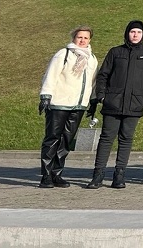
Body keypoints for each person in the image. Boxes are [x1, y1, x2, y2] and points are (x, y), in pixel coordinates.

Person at [86, 20, 143, 190]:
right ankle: (98, 175)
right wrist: (102, 96)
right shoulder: (116, 52)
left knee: (126, 139)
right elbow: (103, 75)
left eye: (138, 32)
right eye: (132, 32)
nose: (135, 35)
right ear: (127, 33)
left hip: (134, 104)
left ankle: (119, 175)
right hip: (113, 103)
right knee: (106, 139)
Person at [38, 26, 99, 188]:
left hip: (78, 105)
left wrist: (92, 101)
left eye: (86, 38)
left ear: (90, 40)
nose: (82, 40)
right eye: (80, 37)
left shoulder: (92, 58)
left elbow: (92, 82)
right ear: (74, 38)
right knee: (52, 138)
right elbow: (51, 75)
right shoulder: (63, 54)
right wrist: (45, 96)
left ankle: (57, 173)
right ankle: (46, 175)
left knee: (66, 140)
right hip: (59, 103)